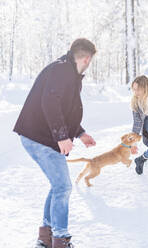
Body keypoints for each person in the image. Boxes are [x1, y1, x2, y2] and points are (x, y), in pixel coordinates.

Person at [13, 38, 97, 248]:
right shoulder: (63, 71)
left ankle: (46, 237)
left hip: (38, 136)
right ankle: (60, 239)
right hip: (39, 137)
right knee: (63, 186)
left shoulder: (65, 71)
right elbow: (49, 102)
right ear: (87, 58)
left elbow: (63, 109)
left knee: (58, 186)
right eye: (91, 61)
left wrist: (79, 133)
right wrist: (62, 136)